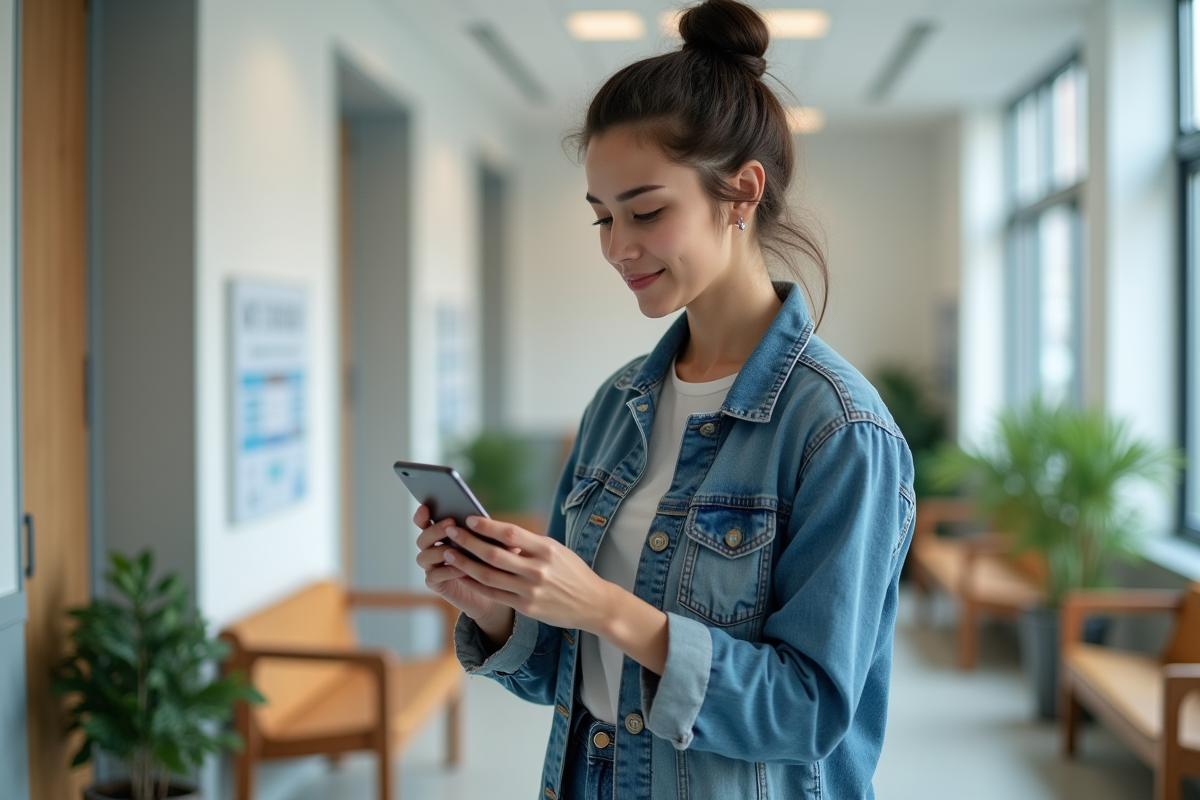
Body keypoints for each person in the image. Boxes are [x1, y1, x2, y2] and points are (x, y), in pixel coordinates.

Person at [413, 1, 915, 798]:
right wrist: (503, 605)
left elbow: (810, 713)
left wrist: (610, 608)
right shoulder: (617, 406)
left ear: (742, 193)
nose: (617, 247)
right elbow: (567, 675)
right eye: (603, 217)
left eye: (646, 211)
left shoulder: (840, 431)